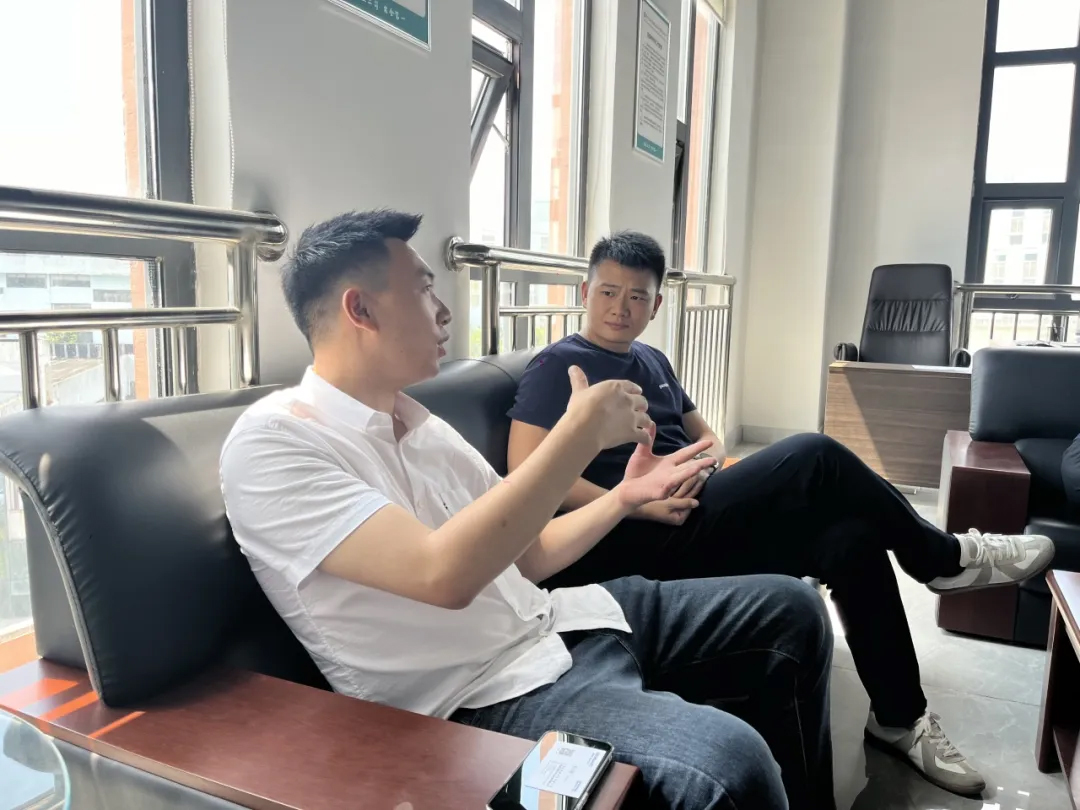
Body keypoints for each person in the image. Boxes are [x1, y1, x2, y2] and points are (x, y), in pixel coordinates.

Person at [219, 210, 838, 810]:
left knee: (793, 609)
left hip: (560, 622)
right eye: (425, 289)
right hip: (482, 696)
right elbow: (441, 575)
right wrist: (577, 436)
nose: (443, 310)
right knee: (727, 762)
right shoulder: (273, 443)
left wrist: (623, 499)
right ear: (361, 309)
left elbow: (529, 554)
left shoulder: (419, 423)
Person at [507, 230, 1057, 798]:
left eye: (637, 296)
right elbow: (526, 473)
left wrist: (704, 465)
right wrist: (635, 503)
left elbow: (709, 436)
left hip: (692, 505)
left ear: (657, 304)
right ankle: (943, 557)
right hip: (632, 535)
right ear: (585, 292)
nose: (620, 308)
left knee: (852, 539)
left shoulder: (653, 359)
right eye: (608, 292)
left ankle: (898, 716)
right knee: (815, 454)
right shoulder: (559, 364)